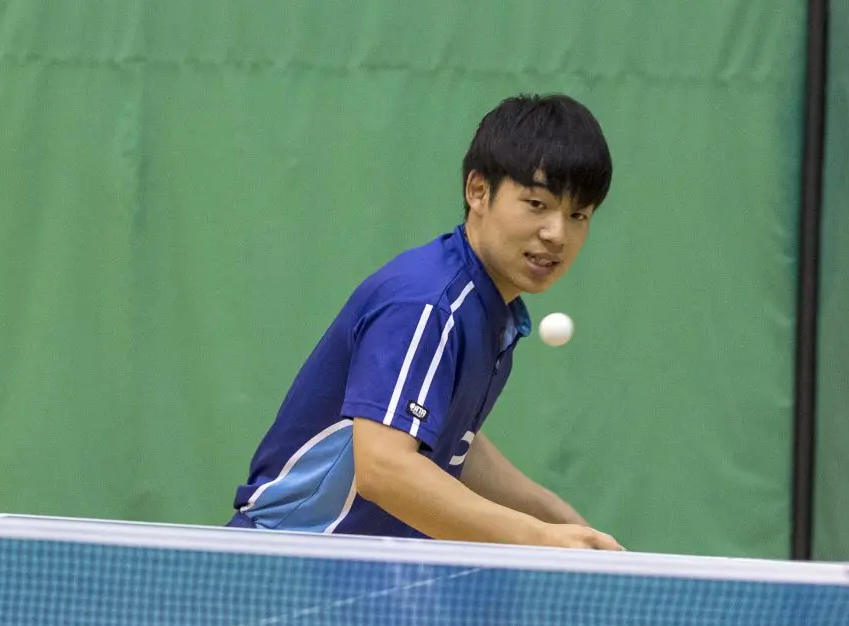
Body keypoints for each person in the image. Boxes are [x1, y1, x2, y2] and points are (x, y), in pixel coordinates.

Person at [227, 93, 622, 551]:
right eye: (536, 204)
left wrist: (556, 517)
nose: (557, 233)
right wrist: (540, 537)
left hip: (355, 573)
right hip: (287, 563)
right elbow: (385, 469)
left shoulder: (487, 309)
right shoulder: (429, 304)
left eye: (578, 215)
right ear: (478, 191)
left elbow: (450, 442)